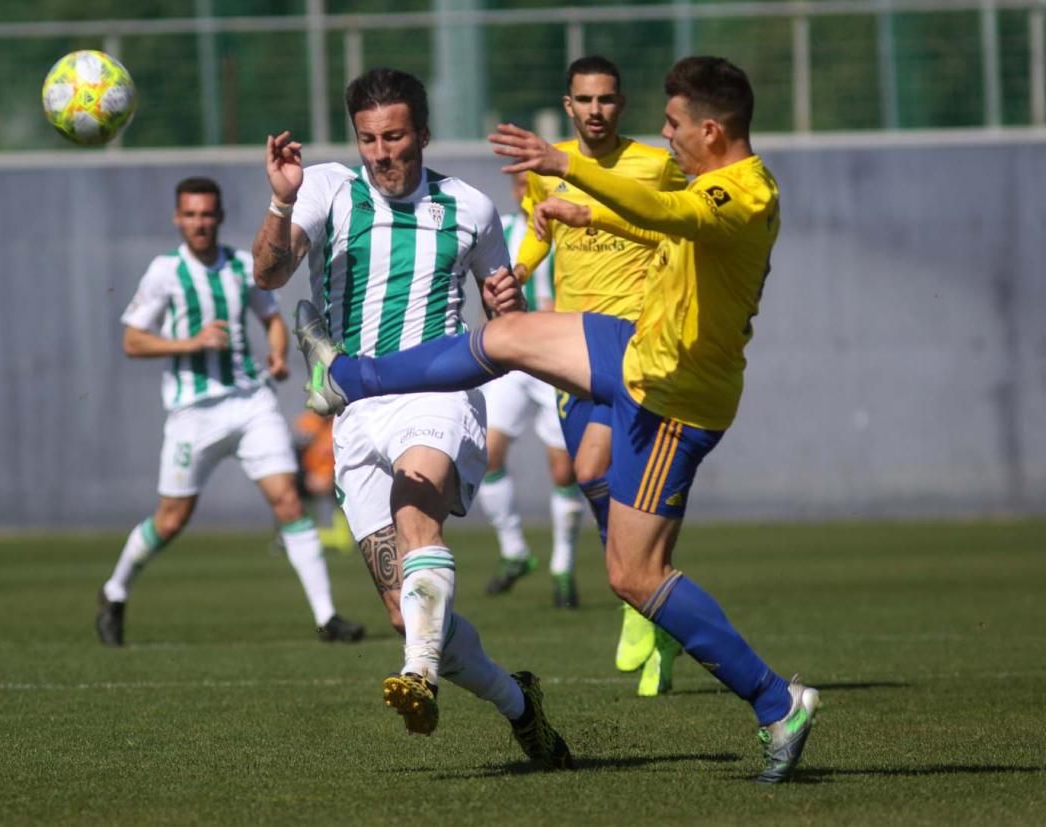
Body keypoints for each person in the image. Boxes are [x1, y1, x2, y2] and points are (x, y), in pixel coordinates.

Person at [296, 57, 821, 784]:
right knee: (509, 336)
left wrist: (563, 166)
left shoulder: (745, 195)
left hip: (677, 394)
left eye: (673, 125)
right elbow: (668, 233)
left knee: (635, 576)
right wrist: (586, 213)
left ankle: (777, 703)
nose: (664, 137)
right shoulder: (709, 180)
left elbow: (673, 216)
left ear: (711, 128)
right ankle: (343, 375)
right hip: (640, 349)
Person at [250, 67, 573, 770]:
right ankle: (520, 704)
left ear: (421, 133)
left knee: (416, 510)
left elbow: (501, 317)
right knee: (407, 611)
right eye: (368, 138)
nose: (381, 152)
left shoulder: (470, 209)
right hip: (357, 409)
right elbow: (270, 273)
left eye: (394, 136)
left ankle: (418, 675)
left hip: (438, 392)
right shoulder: (328, 189)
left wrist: (508, 302)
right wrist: (280, 202)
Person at [96, 176, 364, 647]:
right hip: (192, 411)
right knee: (172, 519)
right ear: (178, 219)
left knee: (288, 500)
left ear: (219, 217)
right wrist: (190, 342)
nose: (200, 223)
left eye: (207, 214)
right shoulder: (165, 272)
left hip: (250, 403)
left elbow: (272, 320)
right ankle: (115, 591)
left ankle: (327, 618)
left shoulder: (243, 266)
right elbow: (133, 340)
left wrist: (279, 355)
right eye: (191, 215)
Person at [508, 55, 690, 693]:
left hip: (637, 346)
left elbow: (677, 230)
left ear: (622, 104)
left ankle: (637, 598)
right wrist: (520, 270)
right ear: (568, 105)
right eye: (584, 100)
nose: (595, 111)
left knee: (589, 468)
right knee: (600, 482)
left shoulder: (656, 166)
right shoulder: (549, 166)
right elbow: (539, 233)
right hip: (571, 348)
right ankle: (655, 601)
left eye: (607, 100)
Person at [477, 170, 586, 608]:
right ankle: (515, 551)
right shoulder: (502, 230)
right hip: (514, 357)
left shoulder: (566, 233)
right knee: (487, 452)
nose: (523, 191)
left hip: (556, 357)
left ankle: (563, 565)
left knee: (564, 471)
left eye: (531, 184)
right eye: (518, 184)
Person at [291, 410, 354, 553]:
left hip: (336, 475)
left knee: (345, 486)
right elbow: (298, 453)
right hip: (311, 476)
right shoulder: (310, 422)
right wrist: (307, 475)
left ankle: (342, 536)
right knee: (285, 491)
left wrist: (330, 476)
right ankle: (294, 534)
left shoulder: (345, 422)